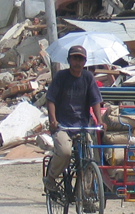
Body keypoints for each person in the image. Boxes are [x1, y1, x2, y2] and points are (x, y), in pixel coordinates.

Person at [43, 45, 104, 192]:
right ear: (69, 60)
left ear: (85, 61)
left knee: (90, 157)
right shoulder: (61, 77)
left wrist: (100, 121)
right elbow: (50, 99)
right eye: (74, 58)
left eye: (81, 59)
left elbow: (95, 101)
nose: (77, 62)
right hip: (62, 126)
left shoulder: (88, 78)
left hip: (82, 125)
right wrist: (53, 120)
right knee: (65, 152)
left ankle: (85, 193)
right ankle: (50, 177)